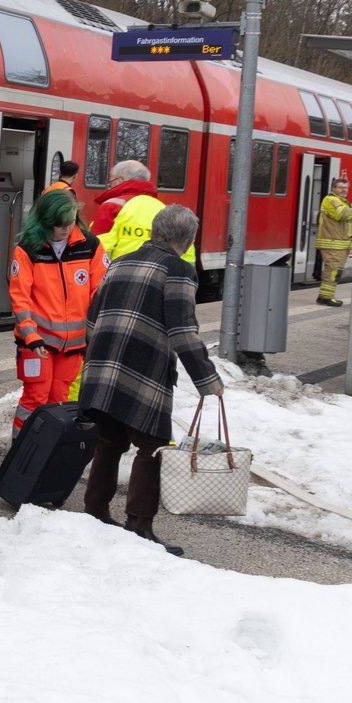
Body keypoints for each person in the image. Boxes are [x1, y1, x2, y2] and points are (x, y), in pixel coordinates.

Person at [77, 205, 223, 556]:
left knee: (109, 442)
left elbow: (92, 318)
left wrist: (96, 362)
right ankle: (139, 526)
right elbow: (183, 330)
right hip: (142, 371)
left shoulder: (122, 260)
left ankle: (95, 513)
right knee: (153, 447)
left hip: (102, 367)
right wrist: (208, 379)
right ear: (187, 240)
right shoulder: (179, 269)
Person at [7, 189, 107, 433]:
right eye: (60, 225)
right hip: (37, 342)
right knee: (34, 399)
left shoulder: (90, 246)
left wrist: (95, 335)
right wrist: (31, 336)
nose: (66, 229)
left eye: (71, 222)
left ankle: (49, 456)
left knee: (59, 399)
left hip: (73, 345)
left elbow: (100, 292)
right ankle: (21, 453)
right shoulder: (29, 248)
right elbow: (20, 298)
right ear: (46, 221)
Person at [92, 160, 192, 264]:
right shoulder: (163, 208)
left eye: (111, 182)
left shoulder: (112, 206)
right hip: (158, 273)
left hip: (121, 274)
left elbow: (98, 247)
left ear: (119, 181)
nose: (110, 186)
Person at [315, 175, 352, 307]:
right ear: (333, 188)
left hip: (340, 244)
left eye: (346, 188)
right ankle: (325, 297)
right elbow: (342, 215)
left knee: (335, 271)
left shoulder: (342, 202)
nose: (344, 190)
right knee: (333, 271)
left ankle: (326, 296)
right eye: (340, 187)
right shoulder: (331, 200)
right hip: (333, 243)